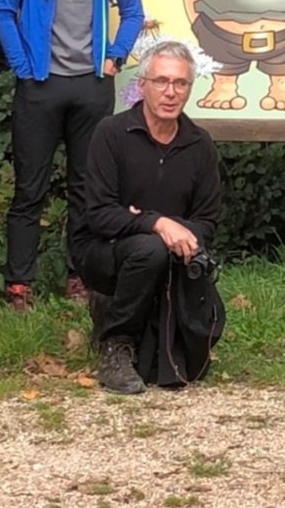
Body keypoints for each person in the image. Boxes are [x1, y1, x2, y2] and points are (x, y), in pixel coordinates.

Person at [0, 0, 145, 311]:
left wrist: (115, 56)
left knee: (88, 188)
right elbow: (3, 8)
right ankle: (20, 285)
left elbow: (135, 12)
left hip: (91, 83)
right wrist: (23, 65)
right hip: (40, 83)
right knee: (29, 188)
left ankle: (83, 276)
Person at [73, 42, 226, 392]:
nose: (170, 93)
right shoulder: (110, 134)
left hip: (172, 257)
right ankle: (115, 347)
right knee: (149, 249)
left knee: (187, 365)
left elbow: (207, 222)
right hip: (103, 253)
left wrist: (169, 230)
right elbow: (99, 215)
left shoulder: (200, 145)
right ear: (142, 85)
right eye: (161, 82)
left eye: (180, 83)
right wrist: (159, 224)